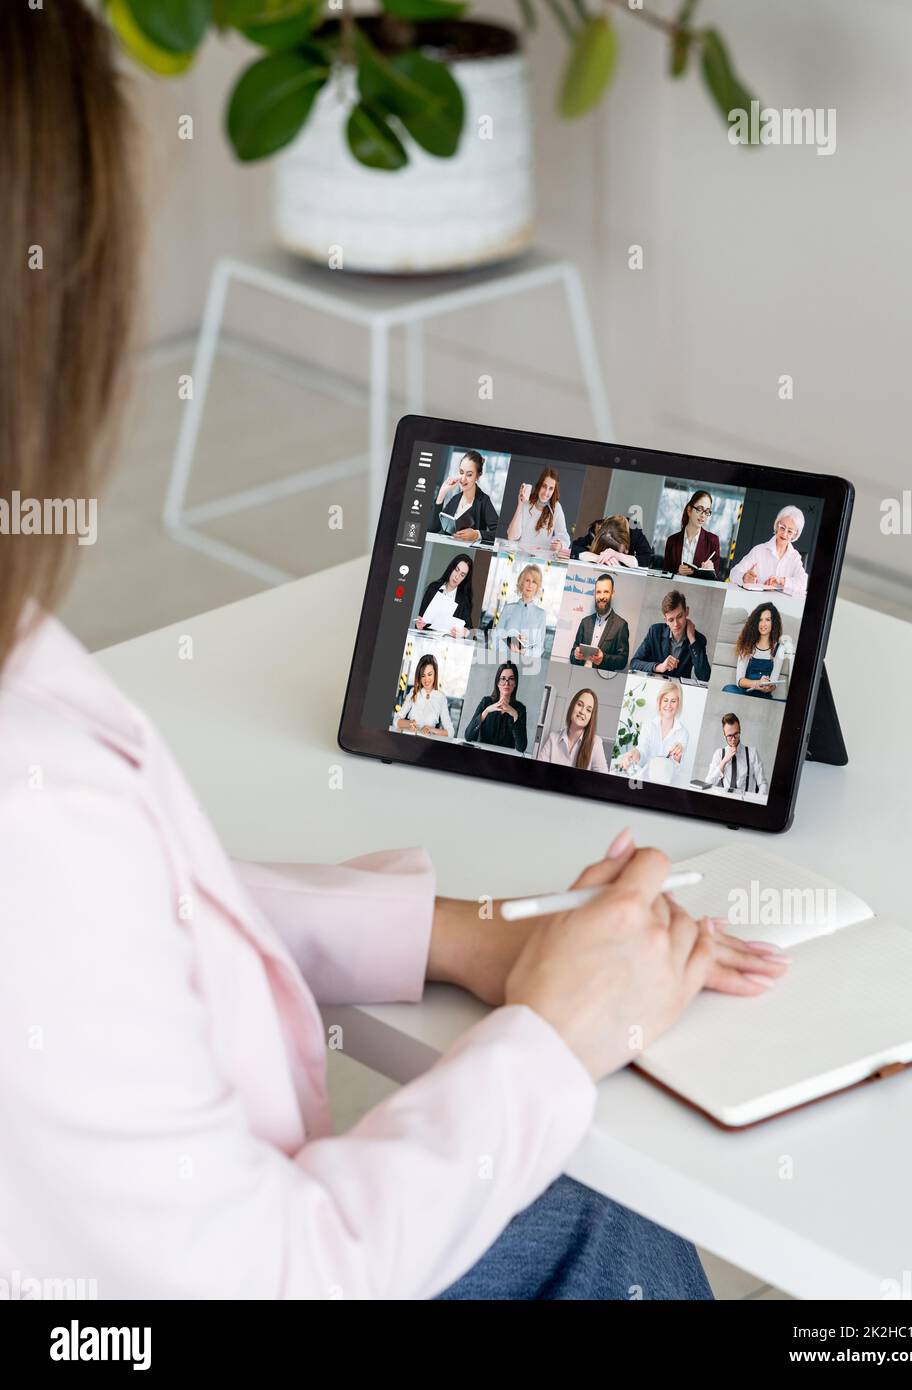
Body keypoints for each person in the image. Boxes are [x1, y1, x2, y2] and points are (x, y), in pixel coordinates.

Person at [0, 1, 788, 1303]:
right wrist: (551, 1037)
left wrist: (456, 933)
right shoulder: (33, 800)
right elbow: (265, 1277)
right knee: (589, 1213)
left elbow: (108, 919)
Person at [630, 589, 711, 681]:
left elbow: (704, 677)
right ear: (666, 620)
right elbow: (634, 663)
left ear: (687, 612)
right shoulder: (655, 631)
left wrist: (692, 639)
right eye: (671, 620)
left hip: (678, 689)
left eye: (679, 616)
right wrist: (659, 667)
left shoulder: (698, 639)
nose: (676, 624)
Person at [729, 506, 808, 598]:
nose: (784, 534)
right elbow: (733, 574)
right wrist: (744, 577)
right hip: (755, 602)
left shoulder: (795, 557)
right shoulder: (759, 550)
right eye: (782, 528)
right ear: (777, 525)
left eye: (790, 531)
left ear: (795, 534)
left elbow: (803, 584)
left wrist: (782, 581)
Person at [617, 682, 691, 781]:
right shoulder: (648, 726)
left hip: (668, 783)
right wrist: (635, 753)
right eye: (665, 700)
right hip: (645, 780)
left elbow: (677, 768)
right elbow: (642, 750)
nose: (669, 705)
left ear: (678, 704)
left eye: (673, 701)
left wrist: (678, 756)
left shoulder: (683, 733)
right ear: (660, 702)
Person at [721, 604, 788, 699]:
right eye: (760, 620)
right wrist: (757, 683)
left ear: (774, 623)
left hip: (763, 696)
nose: (763, 624)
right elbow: (739, 681)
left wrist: (768, 687)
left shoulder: (779, 649)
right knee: (728, 689)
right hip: (744, 693)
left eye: (767, 620)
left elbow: (774, 683)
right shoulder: (747, 644)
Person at [433, 450, 499, 545]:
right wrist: (441, 494)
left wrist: (477, 534)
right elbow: (433, 529)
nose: (463, 479)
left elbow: (498, 533)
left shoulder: (484, 501)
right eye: (461, 472)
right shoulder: (455, 499)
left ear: (478, 476)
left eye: (469, 475)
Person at [537, 689, 609, 773]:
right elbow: (538, 771)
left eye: (588, 710)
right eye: (579, 705)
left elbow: (603, 779)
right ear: (572, 706)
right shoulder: (553, 738)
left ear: (591, 717)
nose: (582, 711)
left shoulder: (595, 743)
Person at [569, 574, 630, 671]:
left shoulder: (621, 625)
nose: (601, 596)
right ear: (594, 594)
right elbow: (572, 656)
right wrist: (575, 655)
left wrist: (604, 659)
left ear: (612, 594)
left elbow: (623, 661)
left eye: (606, 592)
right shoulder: (585, 622)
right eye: (598, 592)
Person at [463, 664, 529, 752]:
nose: (506, 683)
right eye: (502, 679)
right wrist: (486, 711)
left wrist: (515, 715)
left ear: (515, 683)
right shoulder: (486, 702)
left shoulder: (520, 709)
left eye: (511, 679)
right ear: (497, 683)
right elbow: (468, 736)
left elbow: (521, 748)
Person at [506, 468, 571, 557]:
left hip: (541, 559)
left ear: (554, 490)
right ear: (539, 485)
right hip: (521, 556)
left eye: (551, 488)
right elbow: (512, 536)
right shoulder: (526, 502)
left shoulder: (556, 508)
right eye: (544, 486)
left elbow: (564, 536)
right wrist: (520, 504)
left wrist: (560, 545)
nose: (546, 492)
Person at [702, 714, 769, 796]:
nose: (733, 739)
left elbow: (763, 784)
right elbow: (708, 784)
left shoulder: (752, 753)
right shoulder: (719, 754)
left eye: (736, 734)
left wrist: (756, 802)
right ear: (724, 735)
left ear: (740, 730)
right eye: (729, 736)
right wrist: (724, 761)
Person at [493, 564, 548, 663]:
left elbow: (540, 648)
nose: (530, 585)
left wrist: (524, 652)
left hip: (527, 665)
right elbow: (496, 639)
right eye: (527, 580)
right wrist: (509, 647)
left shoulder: (541, 614)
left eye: (534, 582)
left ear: (537, 587)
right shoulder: (508, 609)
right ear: (521, 583)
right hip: (503, 661)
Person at [662, 490, 722, 579]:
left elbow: (717, 580)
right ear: (689, 510)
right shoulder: (672, 540)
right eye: (699, 509)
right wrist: (677, 573)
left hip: (699, 591)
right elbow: (665, 575)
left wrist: (711, 571)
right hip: (675, 590)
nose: (703, 515)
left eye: (707, 511)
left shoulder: (713, 540)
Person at [415, 555, 474, 638]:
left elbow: (471, 632)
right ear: (451, 568)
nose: (457, 577)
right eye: (456, 570)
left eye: (462, 575)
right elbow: (421, 620)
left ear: (465, 578)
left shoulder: (464, 600)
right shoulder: (433, 589)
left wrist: (464, 632)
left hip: (449, 647)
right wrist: (419, 625)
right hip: (427, 643)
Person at [395, 655, 454, 737]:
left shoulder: (441, 697)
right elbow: (396, 720)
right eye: (423, 675)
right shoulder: (414, 692)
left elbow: (450, 732)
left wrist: (431, 729)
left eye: (429, 674)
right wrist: (409, 723)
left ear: (435, 674)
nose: (426, 680)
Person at [571, 514, 654, 569]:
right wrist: (598, 558)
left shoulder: (635, 531)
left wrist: (618, 555)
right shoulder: (597, 531)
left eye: (624, 550)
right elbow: (573, 547)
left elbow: (647, 559)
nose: (627, 551)